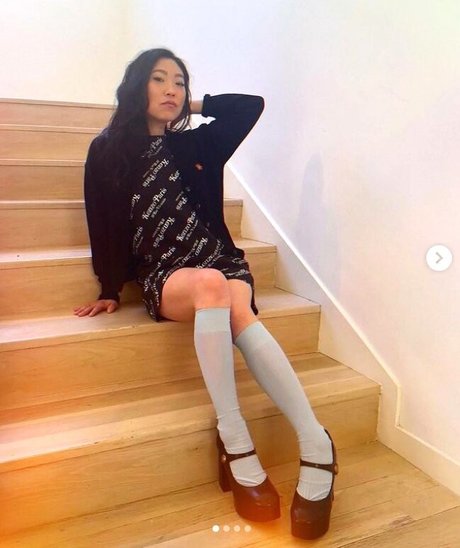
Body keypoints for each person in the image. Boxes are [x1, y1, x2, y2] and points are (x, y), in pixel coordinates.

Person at [74, 48, 338, 540]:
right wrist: (109, 286)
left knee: (231, 296)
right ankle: (242, 438)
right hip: (165, 274)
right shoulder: (108, 150)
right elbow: (102, 222)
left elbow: (249, 106)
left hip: (220, 260)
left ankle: (312, 440)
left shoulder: (198, 143)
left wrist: (190, 105)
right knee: (215, 287)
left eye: (179, 81)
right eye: (158, 79)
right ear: (136, 85)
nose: (171, 89)